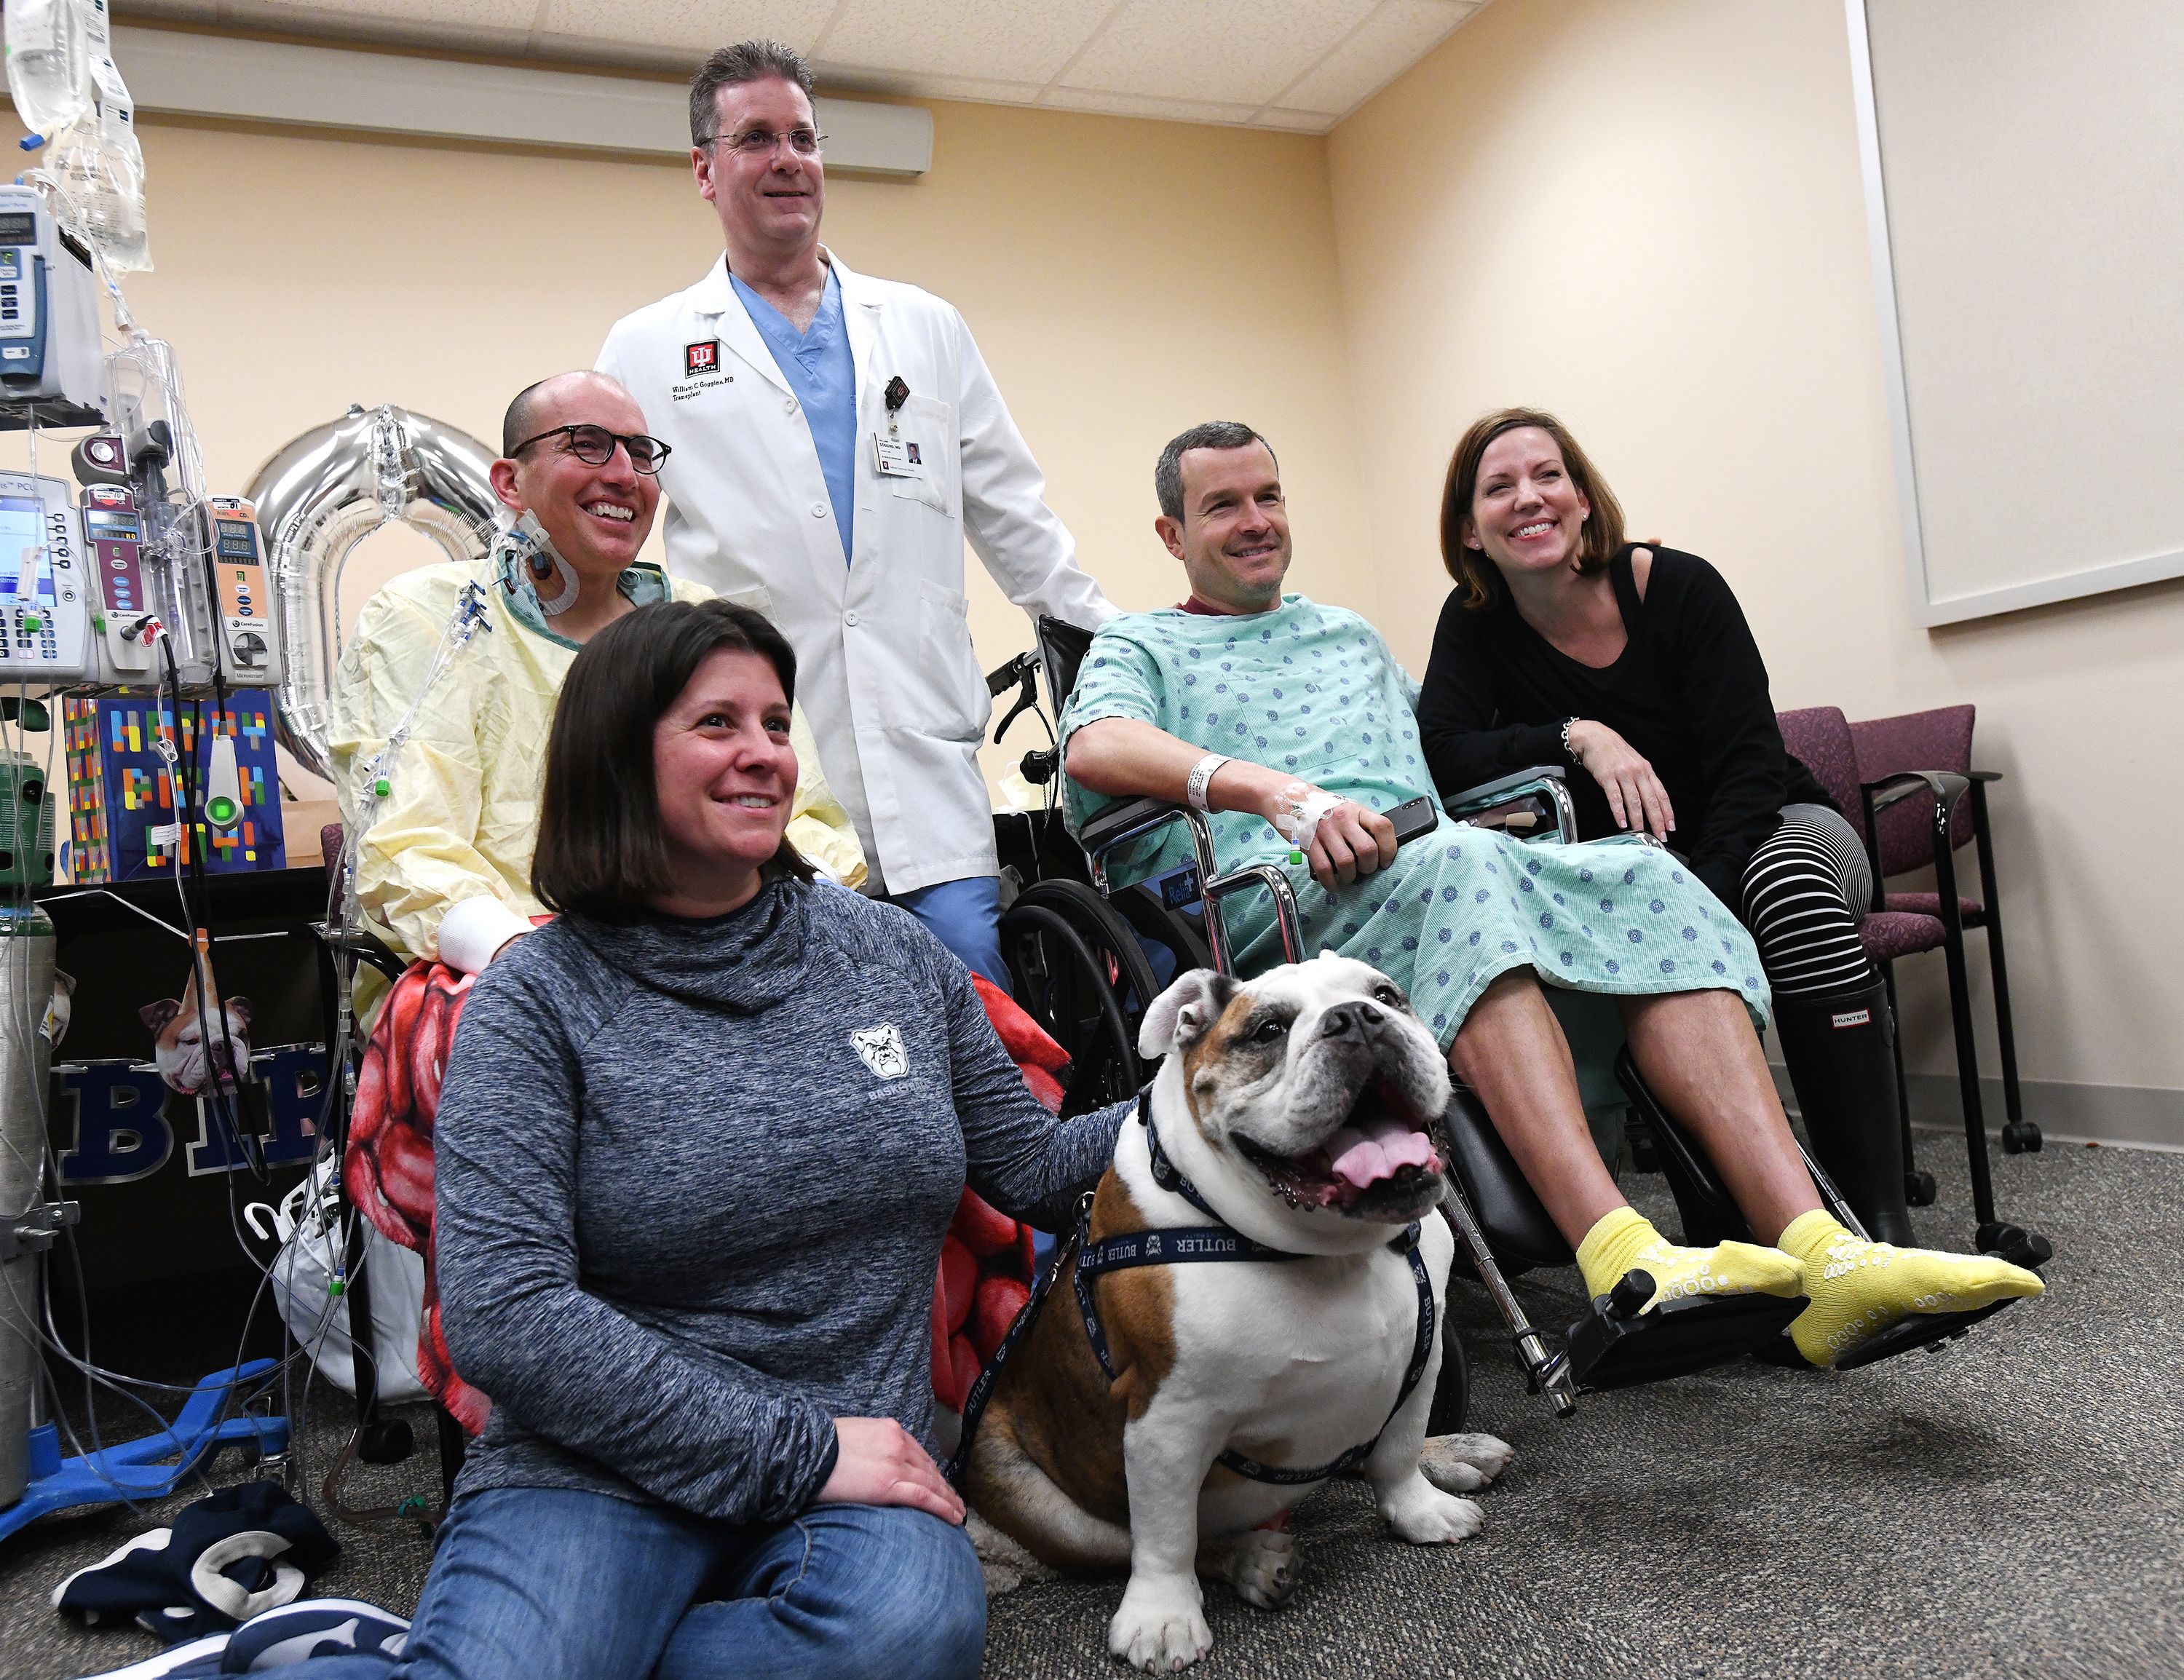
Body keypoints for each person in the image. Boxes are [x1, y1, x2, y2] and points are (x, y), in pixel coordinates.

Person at [229, 598, 1132, 1680]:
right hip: (600, 1468)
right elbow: (506, 1316)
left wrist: (1220, 1095)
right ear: (618, 754)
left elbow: (1031, 1167)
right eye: (718, 725)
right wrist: (798, 1446)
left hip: (855, 1477)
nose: (765, 757)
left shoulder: (890, 957)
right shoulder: (535, 1000)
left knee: (902, 1639)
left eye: (777, 725)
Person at [1060, 421, 2041, 1370]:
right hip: (1279, 911)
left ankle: (1826, 1253)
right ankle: (1623, 1253)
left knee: (1641, 872)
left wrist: (1576, 734)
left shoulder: (1348, 635)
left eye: (1268, 495)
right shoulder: (1142, 645)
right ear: (1172, 536)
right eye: (1222, 505)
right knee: (1466, 865)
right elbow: (1096, 747)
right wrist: (1277, 793)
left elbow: (1449, 752)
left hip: (1421, 870)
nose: (1255, 519)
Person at [597, 39, 1115, 988]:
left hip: (923, 757)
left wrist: (1122, 657)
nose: (788, 158)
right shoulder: (648, 348)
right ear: (704, 170)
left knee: (970, 1023)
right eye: (756, 138)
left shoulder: (922, 326)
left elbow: (1015, 516)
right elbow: (609, 547)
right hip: (759, 776)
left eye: (803, 136)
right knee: (795, 1045)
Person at [1415, 408, 1914, 1243]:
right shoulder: (1473, 621)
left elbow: (1752, 762)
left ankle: (1879, 1219)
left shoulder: (1677, 586)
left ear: (1581, 495)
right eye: (1498, 488)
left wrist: (1700, 889)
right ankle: (1757, 1229)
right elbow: (1444, 751)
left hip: (1778, 825)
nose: (1527, 499)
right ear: (1469, 529)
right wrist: (1580, 734)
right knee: (1627, 932)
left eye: (1547, 476)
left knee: (1783, 886)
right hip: (1650, 865)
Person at [329, 369, 863, 975]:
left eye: (641, 453)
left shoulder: (701, 623)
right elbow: (406, 845)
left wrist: (837, 931)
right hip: (506, 961)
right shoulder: (429, 620)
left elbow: (806, 821)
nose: (622, 474)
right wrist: (529, 967)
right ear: (510, 482)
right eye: (586, 444)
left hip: (721, 952)